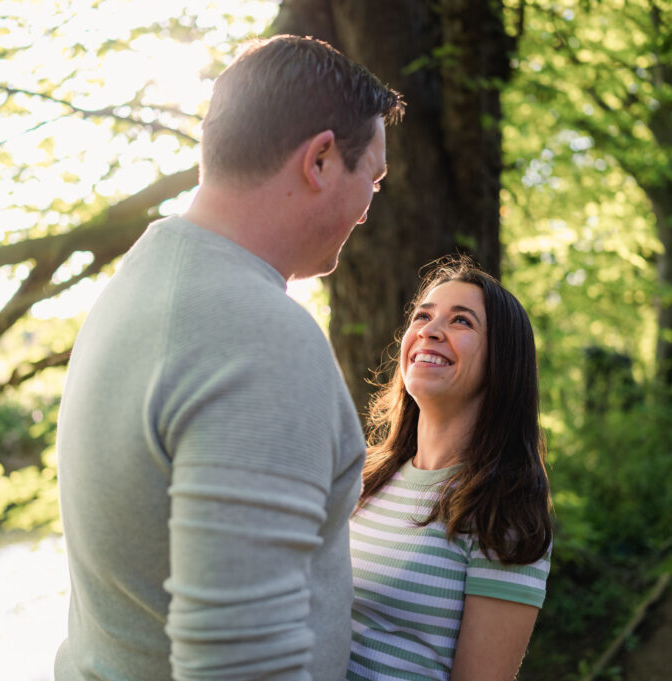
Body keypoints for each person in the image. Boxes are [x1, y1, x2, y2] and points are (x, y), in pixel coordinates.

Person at [54, 35, 404, 681]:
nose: (365, 212)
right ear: (321, 159)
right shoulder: (262, 338)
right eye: (373, 181)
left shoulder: (133, 290)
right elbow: (242, 668)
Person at [347, 256, 553, 681]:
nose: (429, 330)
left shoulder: (505, 511)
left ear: (502, 362)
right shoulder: (360, 476)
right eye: (423, 316)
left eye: (462, 321)